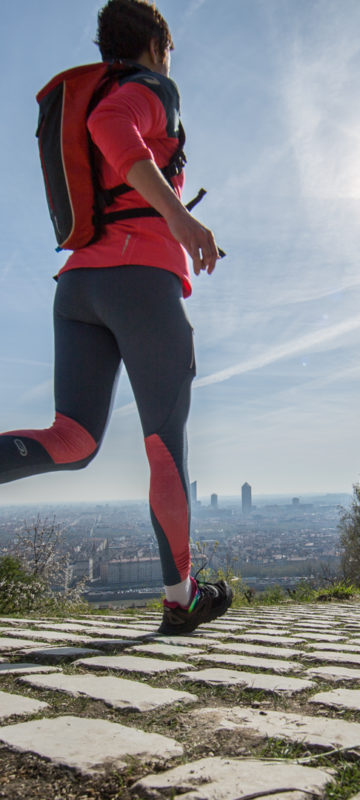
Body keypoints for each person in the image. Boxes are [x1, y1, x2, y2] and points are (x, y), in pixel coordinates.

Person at [0, 0, 232, 634]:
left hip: (77, 290)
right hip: (139, 283)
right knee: (166, 444)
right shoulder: (149, 86)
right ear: (155, 42)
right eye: (169, 46)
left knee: (72, 441)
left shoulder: (112, 84)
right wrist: (181, 219)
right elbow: (111, 124)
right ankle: (181, 600)